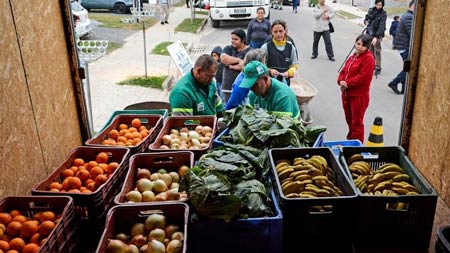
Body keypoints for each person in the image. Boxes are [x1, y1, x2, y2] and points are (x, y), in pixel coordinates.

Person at [337, 34, 375, 144]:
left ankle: (356, 146)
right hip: (346, 94)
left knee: (356, 123)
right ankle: (350, 142)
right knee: (349, 120)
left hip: (358, 97)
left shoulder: (368, 58)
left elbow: (363, 77)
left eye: (363, 45)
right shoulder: (353, 56)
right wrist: (340, 81)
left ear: (367, 47)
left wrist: (347, 83)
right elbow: (343, 71)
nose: (359, 47)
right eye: (358, 44)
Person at [388, 0, 415, 95]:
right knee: (409, 67)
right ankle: (394, 82)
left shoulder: (407, 15)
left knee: (407, 66)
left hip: (403, 46)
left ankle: (404, 88)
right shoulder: (409, 17)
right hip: (404, 46)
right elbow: (412, 34)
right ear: (413, 6)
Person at [261, 20, 298, 86]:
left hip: (285, 84)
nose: (278, 34)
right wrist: (269, 71)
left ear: (285, 31)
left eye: (280, 31)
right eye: (275, 32)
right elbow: (259, 66)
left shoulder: (290, 47)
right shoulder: (265, 47)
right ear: (271, 33)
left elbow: (295, 65)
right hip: (269, 84)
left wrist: (289, 73)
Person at [220, 29, 251, 98]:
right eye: (232, 39)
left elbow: (245, 67)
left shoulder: (250, 51)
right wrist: (239, 60)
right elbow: (224, 59)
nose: (232, 41)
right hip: (228, 88)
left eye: (236, 39)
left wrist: (231, 66)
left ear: (243, 40)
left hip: (243, 87)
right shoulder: (228, 48)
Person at [364, 0, 387, 75]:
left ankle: (378, 67)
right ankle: (371, 64)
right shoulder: (371, 10)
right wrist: (366, 21)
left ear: (382, 5)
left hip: (377, 34)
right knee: (370, 50)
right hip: (369, 33)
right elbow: (366, 18)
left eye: (380, 5)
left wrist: (376, 37)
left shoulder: (383, 14)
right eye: (377, 5)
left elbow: (381, 26)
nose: (378, 7)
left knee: (377, 50)